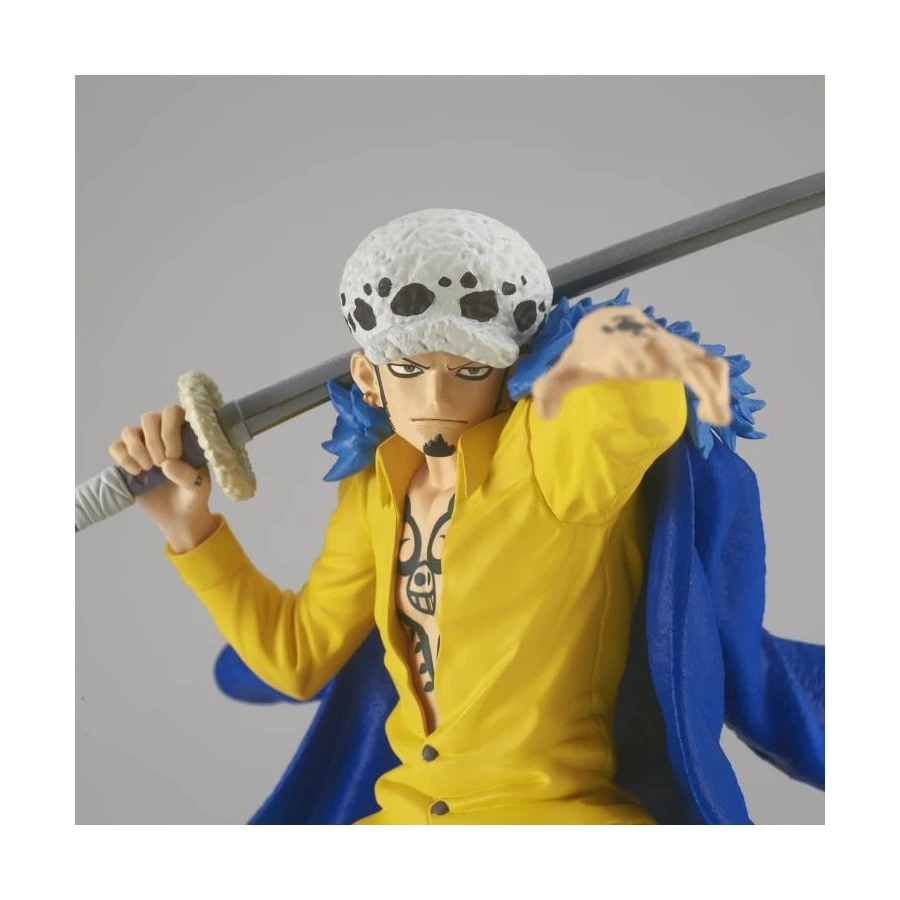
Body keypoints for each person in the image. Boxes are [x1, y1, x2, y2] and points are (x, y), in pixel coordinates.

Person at [110, 209, 823, 824]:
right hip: (405, 817)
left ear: (511, 368)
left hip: (554, 823)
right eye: (409, 369)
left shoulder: (554, 457)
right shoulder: (373, 491)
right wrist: (188, 526)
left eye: (470, 370)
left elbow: (649, 391)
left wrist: (586, 336)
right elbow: (296, 658)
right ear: (367, 377)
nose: (437, 398)